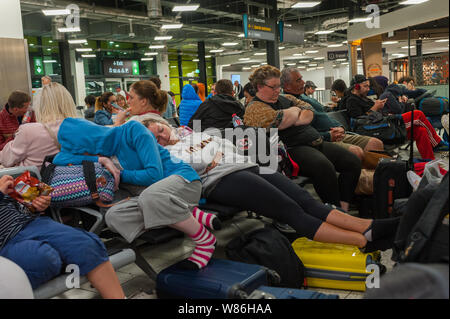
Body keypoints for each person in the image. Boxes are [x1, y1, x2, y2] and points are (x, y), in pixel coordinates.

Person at [144, 117, 400, 252]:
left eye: (159, 129)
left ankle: (368, 228)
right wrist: (213, 156)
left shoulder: (196, 134)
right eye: (155, 137)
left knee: (306, 200)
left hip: (245, 166)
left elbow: (229, 146)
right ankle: (362, 241)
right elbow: (196, 166)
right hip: (222, 180)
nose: (161, 135)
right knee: (290, 211)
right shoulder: (170, 154)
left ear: (164, 124)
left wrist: (213, 156)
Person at [53, 113, 215, 270]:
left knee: (149, 197)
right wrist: (100, 160)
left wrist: (118, 174)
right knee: (114, 216)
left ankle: (204, 239)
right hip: (154, 198)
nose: (86, 157)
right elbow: (59, 159)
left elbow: (154, 175)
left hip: (182, 181)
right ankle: (188, 213)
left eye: (85, 154)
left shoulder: (133, 130)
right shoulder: (101, 153)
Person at [243, 65, 361, 212]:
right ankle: (333, 212)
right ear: (259, 87)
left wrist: (293, 116)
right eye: (273, 87)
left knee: (352, 162)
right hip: (288, 150)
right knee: (324, 168)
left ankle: (343, 207)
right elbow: (280, 121)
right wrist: (295, 111)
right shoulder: (254, 108)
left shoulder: (286, 97)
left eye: (278, 86)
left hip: (314, 141)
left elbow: (309, 111)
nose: (277, 91)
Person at [0, 175, 125, 298]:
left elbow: (14, 209)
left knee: (84, 244)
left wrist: (36, 204)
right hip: (5, 243)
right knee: (43, 259)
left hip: (30, 224)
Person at [281, 67, 384, 160]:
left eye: (301, 78)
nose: (303, 82)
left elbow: (324, 116)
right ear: (287, 86)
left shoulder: (305, 98)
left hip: (337, 132)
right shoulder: (287, 104)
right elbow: (301, 133)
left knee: (375, 143)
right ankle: (362, 178)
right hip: (322, 139)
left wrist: (340, 127)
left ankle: (374, 177)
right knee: (356, 152)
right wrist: (327, 135)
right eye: (298, 80)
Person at [344, 74, 447, 160]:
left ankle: (428, 161)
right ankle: (437, 143)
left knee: (420, 131)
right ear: (356, 87)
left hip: (383, 124)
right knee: (417, 115)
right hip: (377, 130)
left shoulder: (365, 99)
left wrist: (381, 109)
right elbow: (359, 121)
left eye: (368, 86)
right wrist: (376, 107)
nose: (368, 89)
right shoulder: (352, 101)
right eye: (365, 86)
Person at [0, 82, 77, 169]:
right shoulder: (82, 128)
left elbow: (6, 160)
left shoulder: (28, 130)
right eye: (26, 107)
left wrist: (15, 138)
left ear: (40, 105)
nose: (29, 109)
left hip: (38, 179)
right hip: (72, 179)